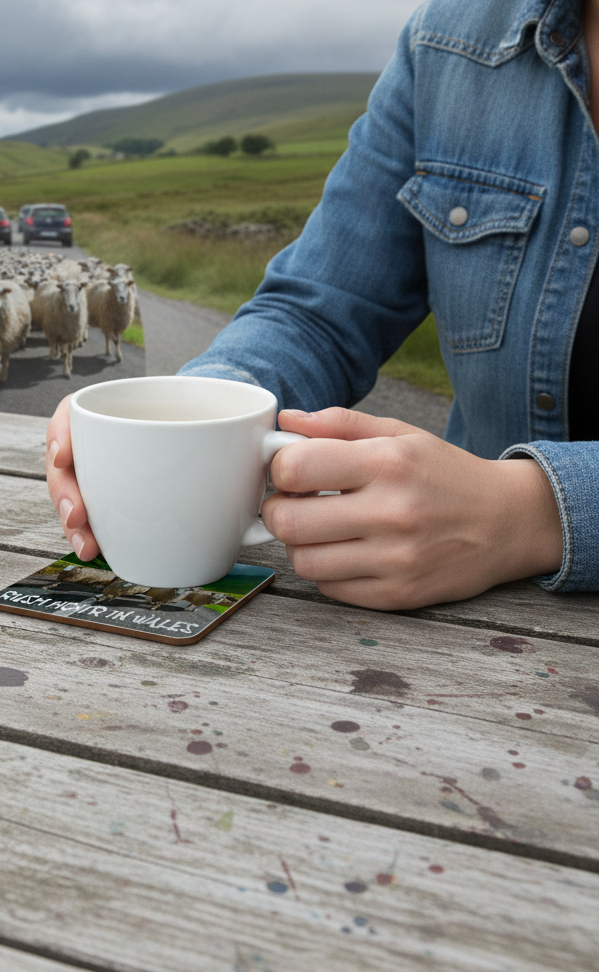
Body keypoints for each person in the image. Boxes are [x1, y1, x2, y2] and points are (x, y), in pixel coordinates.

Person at [46, 0, 599, 611]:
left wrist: (533, 512)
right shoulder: (448, 39)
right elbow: (321, 310)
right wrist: (201, 416)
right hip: (465, 627)